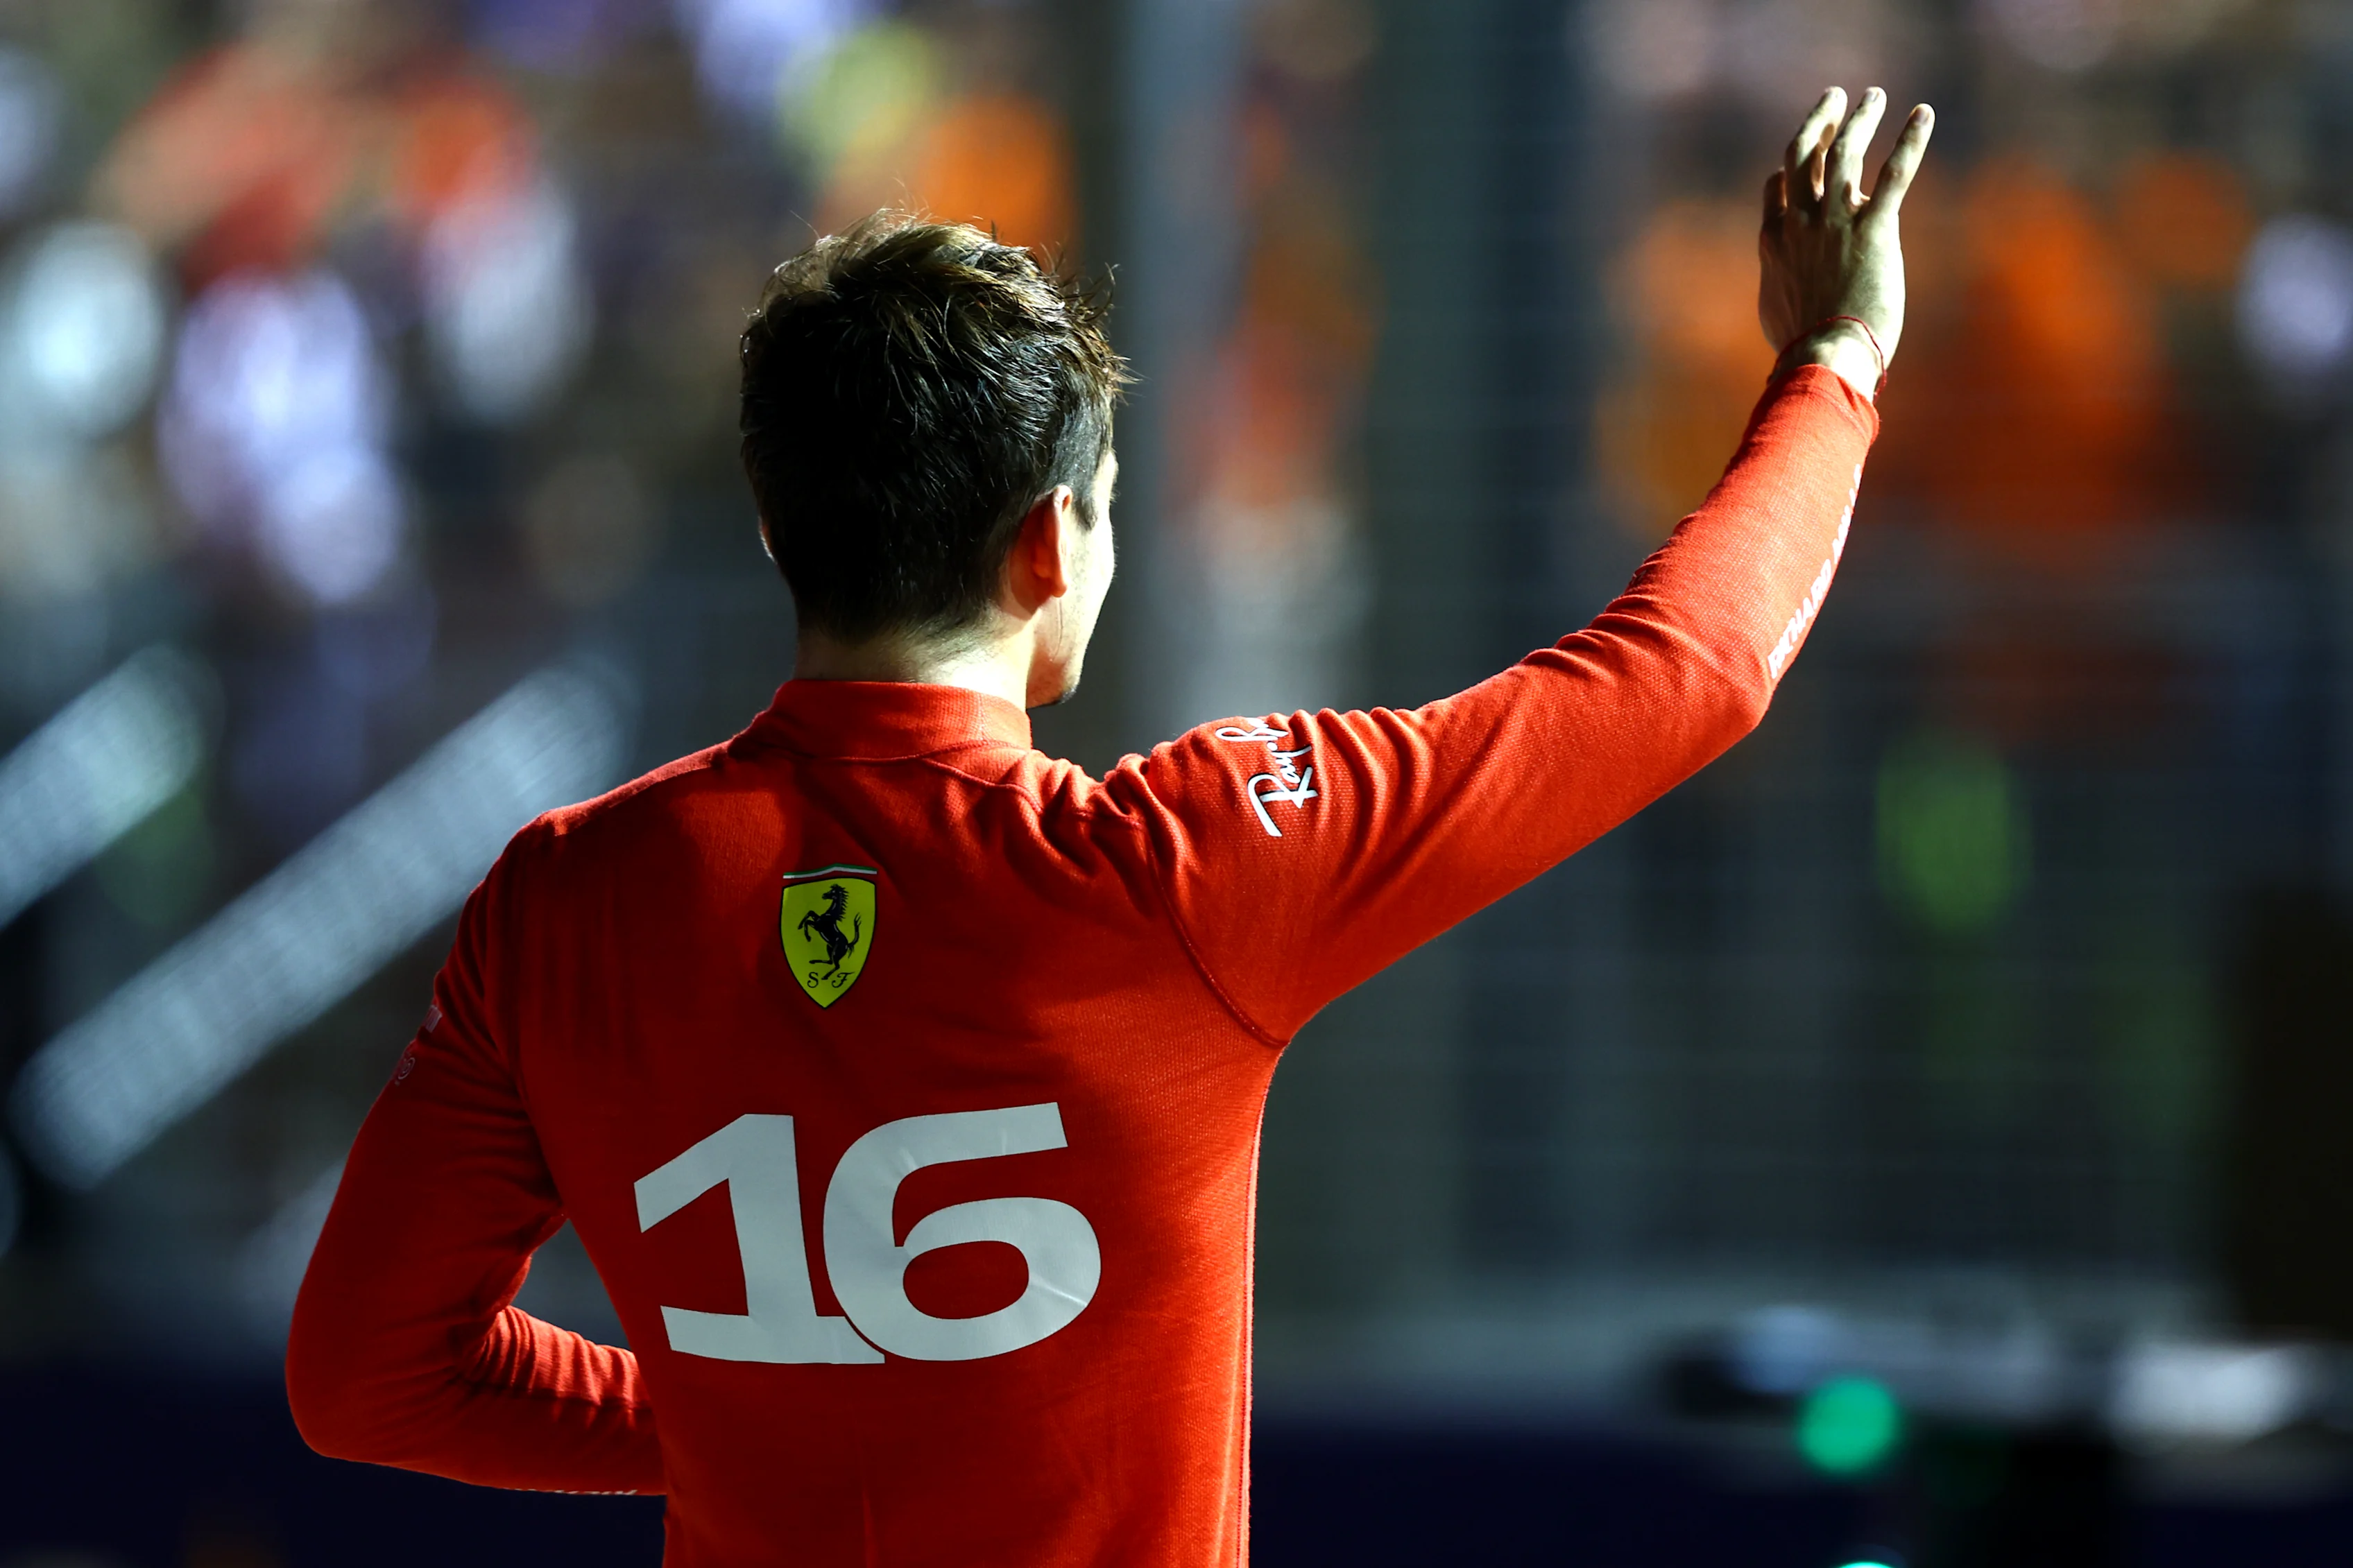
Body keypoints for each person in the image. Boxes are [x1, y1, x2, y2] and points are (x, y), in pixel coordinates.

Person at [287, 87, 1934, 1567]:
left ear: (781, 524)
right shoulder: (1182, 873)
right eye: (1110, 509)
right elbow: (1687, 672)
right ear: (1047, 551)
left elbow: (368, 1377)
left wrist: (745, 1415)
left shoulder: (567, 899)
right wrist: (1833, 362)